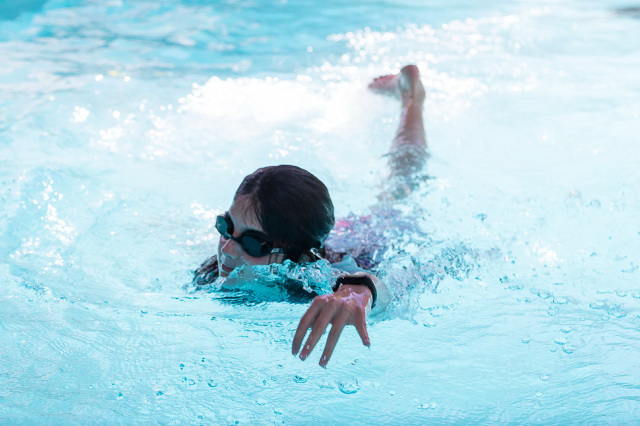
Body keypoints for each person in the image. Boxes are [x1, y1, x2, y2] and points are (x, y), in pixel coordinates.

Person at [194, 65, 428, 367]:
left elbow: (373, 286)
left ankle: (412, 99)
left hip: (371, 236)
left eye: (252, 243)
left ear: (291, 255)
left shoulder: (310, 279)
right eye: (225, 227)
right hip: (327, 229)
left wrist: (361, 291)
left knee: (402, 182)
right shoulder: (219, 264)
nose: (226, 247)